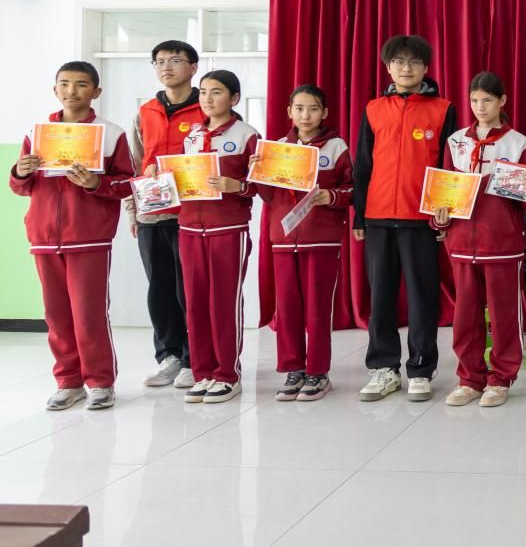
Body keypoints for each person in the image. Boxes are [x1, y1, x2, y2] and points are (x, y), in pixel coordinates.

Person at [10, 61, 133, 410]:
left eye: (81, 84)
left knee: (88, 312)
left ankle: (100, 382)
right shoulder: (37, 134)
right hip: (44, 236)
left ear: (96, 91)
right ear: (55, 89)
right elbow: (20, 187)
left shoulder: (110, 134)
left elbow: (127, 184)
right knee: (56, 314)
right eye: (64, 84)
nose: (71, 91)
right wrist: (20, 171)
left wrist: (96, 183)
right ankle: (68, 381)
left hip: (89, 236)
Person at [353, 35, 457, 402]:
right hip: (379, 216)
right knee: (380, 297)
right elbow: (363, 165)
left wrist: (445, 216)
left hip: (421, 218)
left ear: (426, 68)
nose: (406, 68)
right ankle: (383, 368)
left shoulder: (443, 109)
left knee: (422, 296)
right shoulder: (373, 109)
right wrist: (360, 216)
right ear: (388, 67)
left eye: (414, 62)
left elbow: (449, 166)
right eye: (398, 61)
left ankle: (421, 369)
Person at [433, 72, 526, 408]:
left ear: (502, 101)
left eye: (488, 100)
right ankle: (470, 379)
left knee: (504, 316)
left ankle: (501, 378)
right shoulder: (455, 142)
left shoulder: (518, 143)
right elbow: (444, 190)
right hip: (462, 244)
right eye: (475, 100)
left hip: (503, 245)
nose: (480, 107)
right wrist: (440, 216)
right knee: (465, 317)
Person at [255, 85, 352, 403]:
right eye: (299, 108)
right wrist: (258, 172)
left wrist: (331, 196)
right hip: (283, 239)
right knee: (288, 310)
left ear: (324, 112)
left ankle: (318, 372)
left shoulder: (336, 147)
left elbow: (352, 189)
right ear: (289, 112)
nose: (305, 115)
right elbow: (268, 196)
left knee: (317, 309)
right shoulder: (278, 148)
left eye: (313, 109)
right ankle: (293, 369)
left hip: (321, 240)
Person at [177, 70, 260, 405]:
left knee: (223, 302)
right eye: (203, 92)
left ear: (234, 98)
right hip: (189, 228)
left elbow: (262, 185)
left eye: (216, 92)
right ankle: (203, 373)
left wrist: (238, 186)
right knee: (195, 303)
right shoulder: (192, 135)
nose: (207, 99)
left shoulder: (247, 135)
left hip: (228, 229)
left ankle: (227, 374)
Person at [129, 40, 203, 390]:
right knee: (158, 288)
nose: (166, 67)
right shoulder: (145, 111)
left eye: (175, 60)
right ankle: (169, 355)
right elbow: (135, 163)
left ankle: (193, 357)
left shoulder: (206, 108)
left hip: (192, 214)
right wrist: (133, 210)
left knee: (189, 289)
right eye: (159, 62)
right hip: (152, 213)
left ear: (193, 67)